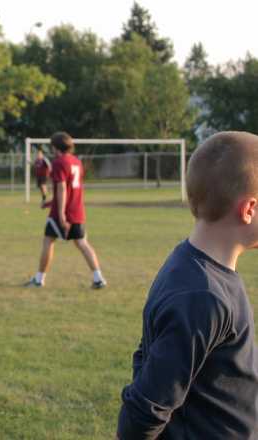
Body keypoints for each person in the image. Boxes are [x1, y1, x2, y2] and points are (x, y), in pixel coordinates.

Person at [116, 131, 258, 439]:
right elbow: (145, 408)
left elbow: (148, 354)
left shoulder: (196, 266)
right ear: (249, 209)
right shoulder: (202, 295)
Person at [25, 132, 106, 289]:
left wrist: (61, 214)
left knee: (48, 241)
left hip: (61, 213)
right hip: (77, 210)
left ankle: (39, 280)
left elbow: (62, 188)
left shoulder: (59, 162)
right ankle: (98, 278)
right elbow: (71, 189)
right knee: (82, 243)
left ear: (56, 147)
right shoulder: (76, 162)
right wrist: (50, 202)